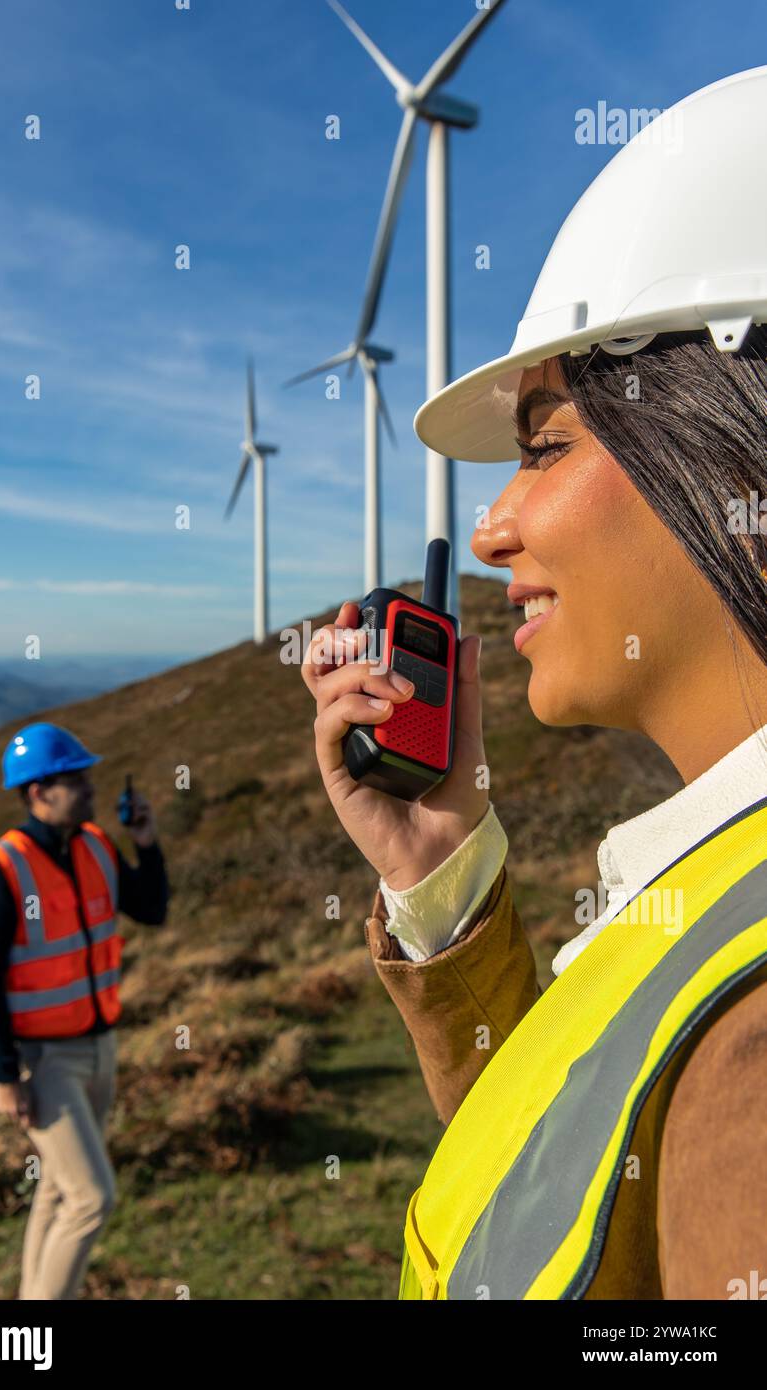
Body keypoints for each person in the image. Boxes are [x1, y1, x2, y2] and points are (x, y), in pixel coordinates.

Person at [302, 66, 767, 1300]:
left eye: (544, 447)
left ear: (732, 436)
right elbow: (577, 1169)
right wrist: (437, 875)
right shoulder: (720, 887)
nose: (494, 527)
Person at [0, 721, 169, 1300]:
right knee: (91, 1198)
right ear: (38, 792)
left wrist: (146, 842)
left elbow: (151, 910)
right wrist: (5, 1076)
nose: (89, 787)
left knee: (59, 1189)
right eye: (75, 779)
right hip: (43, 1062)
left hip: (100, 1047)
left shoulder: (97, 845)